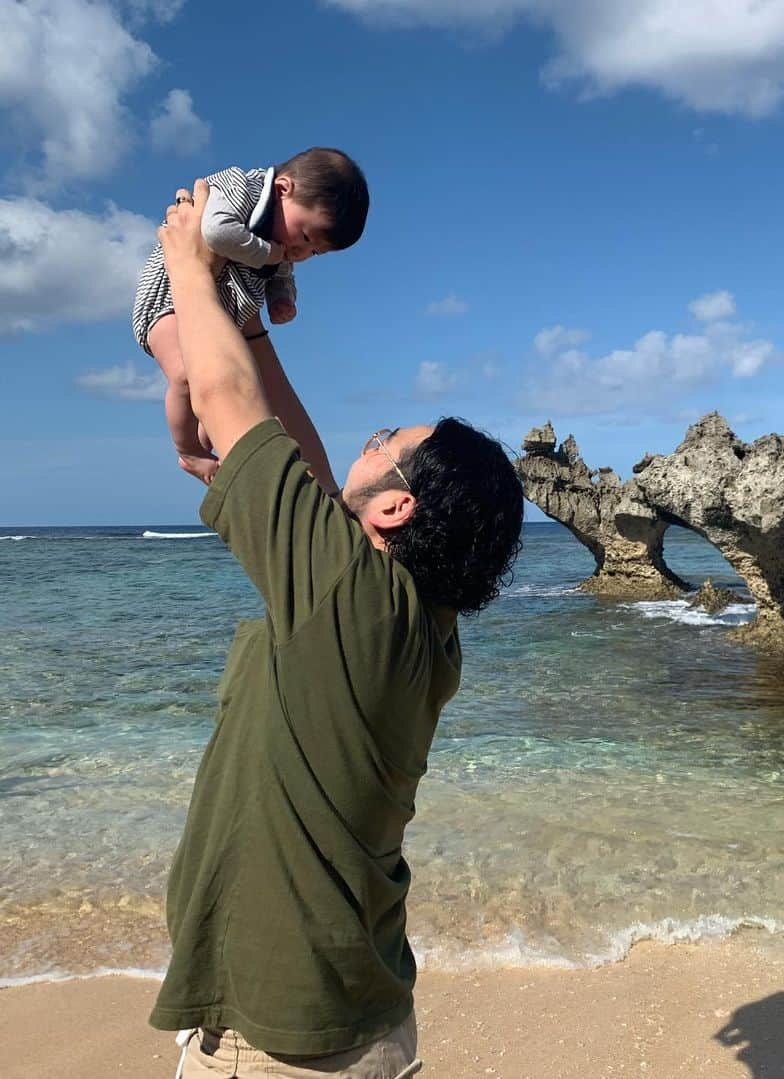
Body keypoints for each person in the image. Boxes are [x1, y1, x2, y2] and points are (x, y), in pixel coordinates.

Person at [151, 180, 524, 1077]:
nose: (360, 439)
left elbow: (233, 410)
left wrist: (188, 266)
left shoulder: (353, 602)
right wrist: (249, 328)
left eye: (382, 437)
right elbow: (309, 472)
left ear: (394, 504)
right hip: (352, 1021)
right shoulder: (405, 618)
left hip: (279, 1043)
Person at [133, 147, 369, 486]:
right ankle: (189, 451)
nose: (300, 253)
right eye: (305, 237)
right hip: (167, 301)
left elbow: (282, 271)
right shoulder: (241, 188)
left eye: (314, 251)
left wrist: (282, 298)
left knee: (232, 397)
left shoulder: (281, 239)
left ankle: (211, 452)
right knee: (186, 376)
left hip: (222, 315)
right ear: (283, 188)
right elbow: (216, 231)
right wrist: (268, 253)